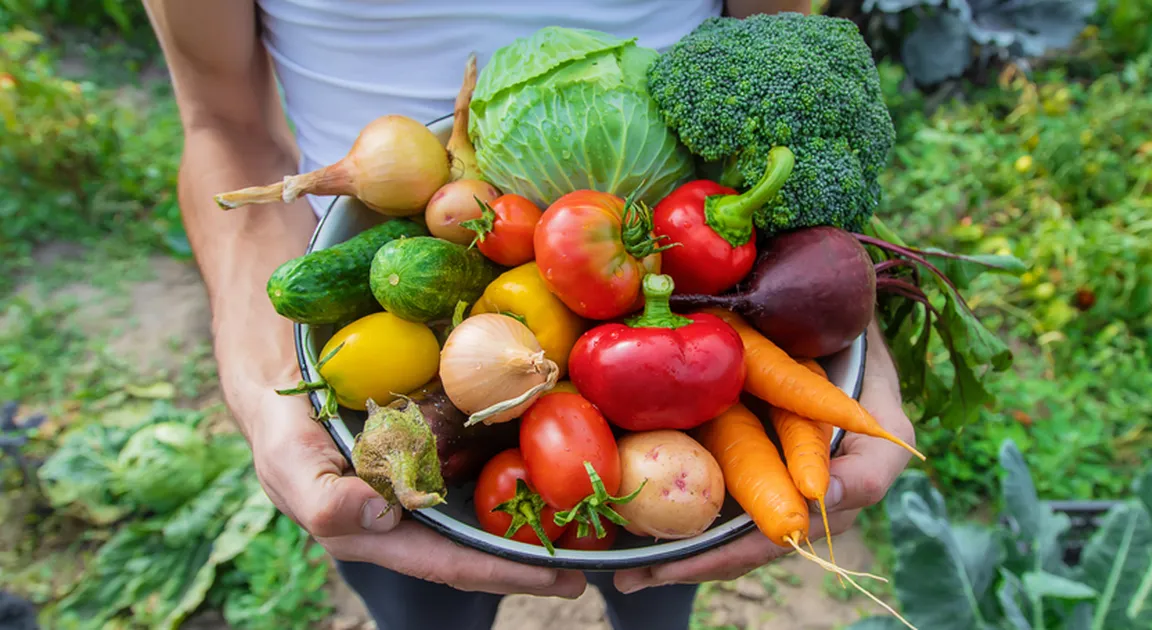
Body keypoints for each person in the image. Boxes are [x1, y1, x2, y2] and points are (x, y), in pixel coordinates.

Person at [140, 1, 916, 628]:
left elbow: (781, 97)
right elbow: (222, 125)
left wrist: (841, 308)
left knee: (663, 577)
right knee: (420, 608)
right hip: (393, 226)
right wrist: (256, 383)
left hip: (697, 258)